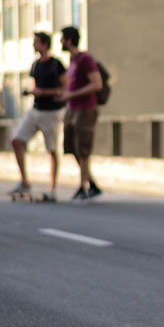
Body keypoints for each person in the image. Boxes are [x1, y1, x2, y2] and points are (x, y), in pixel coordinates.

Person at [9, 32, 67, 201]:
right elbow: (35, 86)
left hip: (52, 112)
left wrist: (45, 92)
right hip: (36, 109)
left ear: (44, 44)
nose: (33, 45)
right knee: (17, 140)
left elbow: (65, 87)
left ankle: (52, 189)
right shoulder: (35, 65)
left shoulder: (56, 64)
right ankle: (24, 181)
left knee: (52, 150)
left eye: (36, 42)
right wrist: (31, 91)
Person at [56, 26, 103, 201]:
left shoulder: (85, 59)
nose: (60, 42)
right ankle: (91, 183)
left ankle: (84, 187)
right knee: (73, 148)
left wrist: (71, 95)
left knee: (83, 149)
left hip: (85, 109)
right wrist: (65, 96)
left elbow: (97, 84)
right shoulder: (72, 60)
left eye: (62, 39)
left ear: (69, 40)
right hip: (72, 108)